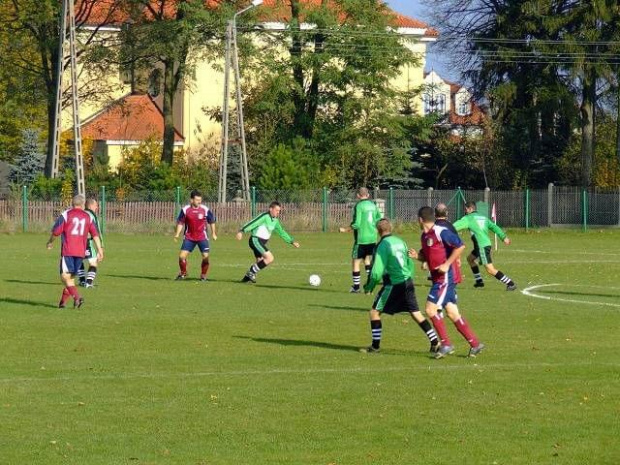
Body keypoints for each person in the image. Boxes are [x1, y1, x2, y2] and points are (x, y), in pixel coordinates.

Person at [412, 206, 485, 358]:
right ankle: (475, 344)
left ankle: (446, 344)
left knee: (430, 309)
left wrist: (446, 264)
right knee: (452, 313)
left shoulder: (440, 231)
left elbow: (460, 246)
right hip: (437, 279)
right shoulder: (425, 237)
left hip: (444, 279)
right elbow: (427, 256)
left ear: (420, 220)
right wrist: (417, 257)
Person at [361, 218, 439, 354]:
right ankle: (435, 342)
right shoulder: (400, 241)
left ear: (378, 231)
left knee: (374, 312)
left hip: (393, 284)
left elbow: (376, 271)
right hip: (407, 281)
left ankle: (375, 346)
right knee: (415, 313)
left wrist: (369, 286)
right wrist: (409, 278)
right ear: (390, 228)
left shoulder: (382, 245)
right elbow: (409, 262)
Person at [46, 194, 104, 308]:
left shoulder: (66, 214)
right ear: (83, 205)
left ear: (72, 204)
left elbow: (56, 232)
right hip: (80, 252)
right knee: (70, 279)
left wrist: (50, 242)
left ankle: (77, 298)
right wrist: (100, 249)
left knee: (64, 277)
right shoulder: (88, 217)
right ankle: (62, 303)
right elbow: (95, 234)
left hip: (68, 251)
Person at [453, 201, 517, 290]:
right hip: (485, 244)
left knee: (490, 269)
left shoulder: (468, 218)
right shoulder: (483, 217)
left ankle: (510, 283)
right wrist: (503, 237)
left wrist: (444, 228)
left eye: (466, 209)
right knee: (470, 259)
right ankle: (479, 281)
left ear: (470, 209)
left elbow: (454, 226)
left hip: (481, 246)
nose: (465, 211)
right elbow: (494, 227)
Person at [236, 201, 300, 283]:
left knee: (260, 261)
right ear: (270, 209)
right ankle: (251, 272)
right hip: (255, 240)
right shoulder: (264, 216)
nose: (278, 212)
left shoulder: (275, 221)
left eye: (279, 211)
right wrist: (242, 231)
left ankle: (245, 280)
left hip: (261, 243)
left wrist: (292, 241)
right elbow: (253, 223)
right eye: (276, 210)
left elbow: (281, 232)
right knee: (270, 258)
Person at [339, 187, 382, 293]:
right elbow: (379, 219)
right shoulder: (373, 205)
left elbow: (357, 224)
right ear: (368, 195)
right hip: (372, 238)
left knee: (356, 262)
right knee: (367, 260)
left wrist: (345, 229)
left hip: (361, 239)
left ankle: (356, 287)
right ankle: (369, 284)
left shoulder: (359, 206)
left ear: (358, 195)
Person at [174, 189, 217, 281]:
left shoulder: (205, 210)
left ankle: (203, 275)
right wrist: (177, 234)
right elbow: (180, 222)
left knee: (205, 257)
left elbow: (212, 221)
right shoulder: (185, 210)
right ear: (191, 200)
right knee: (182, 256)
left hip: (202, 237)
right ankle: (183, 273)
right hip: (189, 237)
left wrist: (214, 233)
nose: (199, 202)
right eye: (197, 200)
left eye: (200, 200)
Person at [78, 198, 103, 288]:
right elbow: (97, 232)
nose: (97, 207)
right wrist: (101, 247)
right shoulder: (92, 216)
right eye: (96, 205)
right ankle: (88, 283)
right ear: (91, 205)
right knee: (93, 262)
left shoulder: (80, 214)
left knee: (79, 260)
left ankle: (82, 281)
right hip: (87, 242)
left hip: (76, 241)